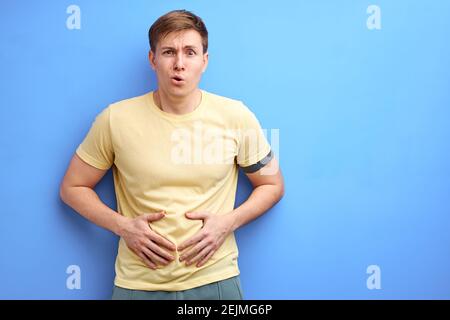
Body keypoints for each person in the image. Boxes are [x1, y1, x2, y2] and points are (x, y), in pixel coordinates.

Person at [59, 9, 284, 300]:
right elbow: (72, 187)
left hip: (215, 280)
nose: (179, 64)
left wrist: (228, 222)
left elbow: (272, 184)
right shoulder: (115, 119)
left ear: (204, 61)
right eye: (169, 52)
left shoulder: (236, 116)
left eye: (190, 52)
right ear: (153, 59)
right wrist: (123, 227)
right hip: (137, 285)